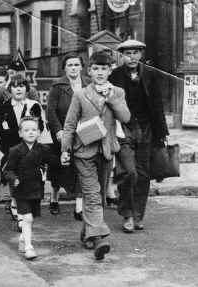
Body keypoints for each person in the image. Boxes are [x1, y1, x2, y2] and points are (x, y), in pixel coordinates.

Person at [60, 51, 130, 260]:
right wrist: (65, 149)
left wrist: (112, 99)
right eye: (96, 69)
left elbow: (125, 116)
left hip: (106, 150)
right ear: (89, 71)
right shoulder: (81, 94)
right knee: (91, 194)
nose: (100, 73)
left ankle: (87, 234)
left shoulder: (117, 92)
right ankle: (100, 238)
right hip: (84, 151)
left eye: (104, 69)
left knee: (98, 196)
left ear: (110, 71)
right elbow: (70, 123)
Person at [109, 40, 169, 233]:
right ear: (121, 56)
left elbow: (157, 106)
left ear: (141, 54)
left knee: (143, 175)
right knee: (129, 172)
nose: (132, 57)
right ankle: (126, 214)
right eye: (128, 53)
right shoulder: (115, 75)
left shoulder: (150, 74)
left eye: (135, 53)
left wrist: (161, 134)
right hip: (124, 129)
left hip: (146, 130)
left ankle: (137, 216)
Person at [4, 116, 60, 260]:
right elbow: (8, 170)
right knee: (27, 218)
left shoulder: (43, 149)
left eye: (34, 130)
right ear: (20, 133)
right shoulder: (15, 150)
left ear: (39, 132)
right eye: (26, 130)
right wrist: (13, 179)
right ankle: (29, 247)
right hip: (21, 190)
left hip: (36, 189)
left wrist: (63, 159)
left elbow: (54, 162)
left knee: (31, 218)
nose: (30, 133)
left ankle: (23, 237)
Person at [0, 74, 44, 229]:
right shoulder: (4, 107)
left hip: (29, 150)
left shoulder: (33, 105)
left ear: (26, 89)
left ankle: (19, 206)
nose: (18, 89)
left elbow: (40, 126)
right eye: (15, 86)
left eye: (22, 86)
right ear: (10, 89)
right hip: (10, 150)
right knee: (14, 179)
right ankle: (18, 211)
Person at [46, 53, 90, 218]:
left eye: (76, 65)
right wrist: (58, 131)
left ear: (81, 67)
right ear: (65, 68)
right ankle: (54, 198)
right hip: (62, 134)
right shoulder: (58, 86)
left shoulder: (88, 84)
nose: (73, 68)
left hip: (83, 133)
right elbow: (50, 111)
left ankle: (79, 207)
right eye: (70, 65)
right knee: (59, 167)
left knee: (81, 167)